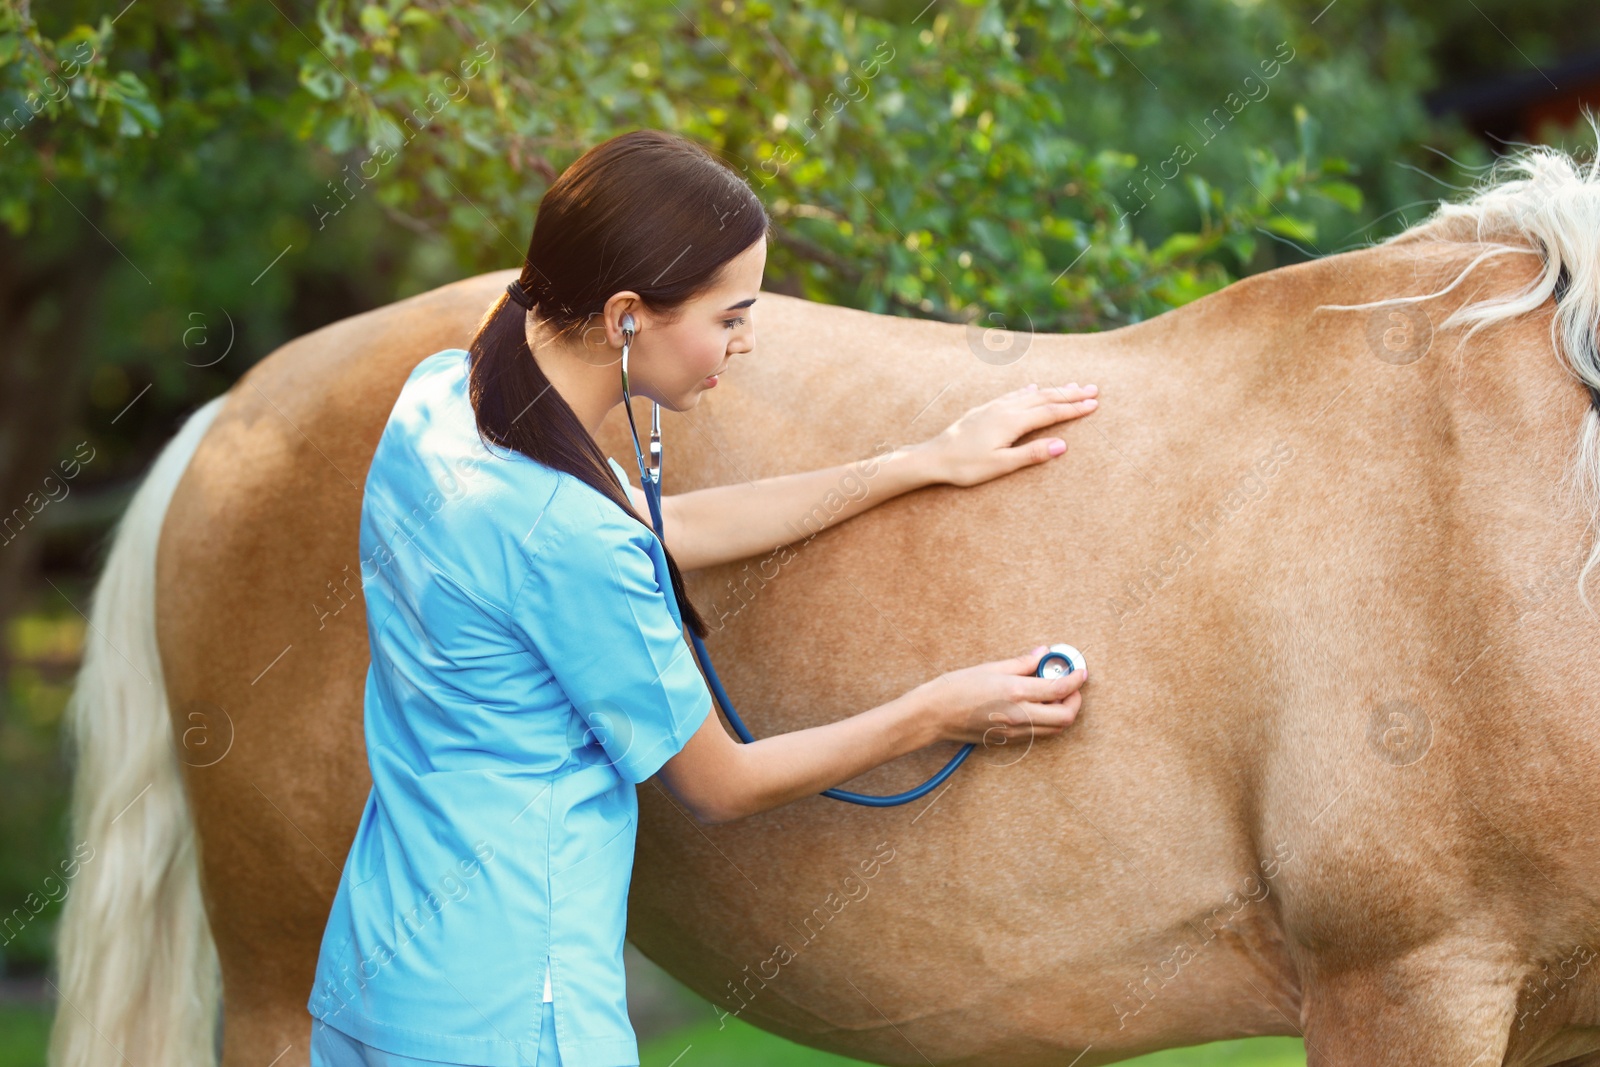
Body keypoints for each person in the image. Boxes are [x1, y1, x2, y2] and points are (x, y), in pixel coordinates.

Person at [305, 128, 1098, 1067]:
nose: (746, 341)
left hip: (374, 983)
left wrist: (920, 462)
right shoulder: (569, 537)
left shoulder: (438, 400)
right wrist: (941, 709)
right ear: (628, 314)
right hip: (520, 1016)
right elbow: (721, 784)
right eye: (730, 316)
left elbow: (654, 529)